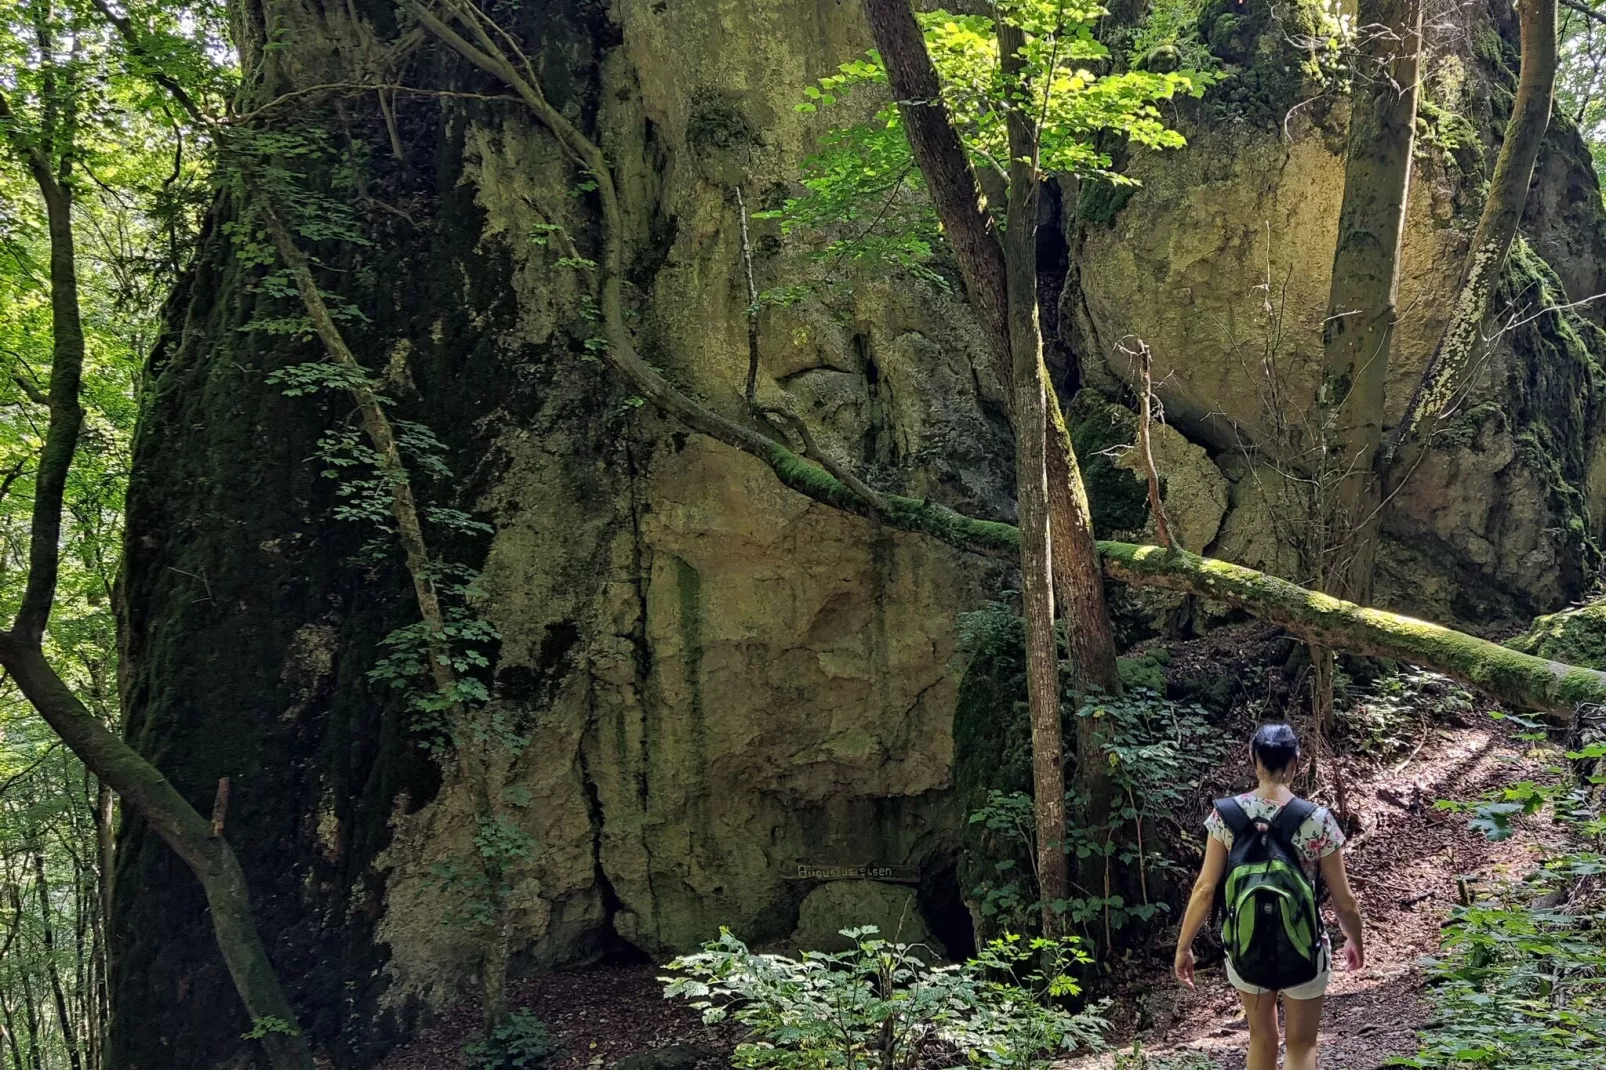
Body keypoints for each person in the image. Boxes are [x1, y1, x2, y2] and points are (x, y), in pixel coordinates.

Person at [1172, 723, 1365, 1070]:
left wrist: (1184, 946)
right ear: (1295, 762)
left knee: (1261, 1038)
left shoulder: (1225, 816)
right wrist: (1355, 940)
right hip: (1305, 948)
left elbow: (1205, 889)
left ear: (1253, 759)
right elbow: (1344, 899)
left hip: (1247, 949)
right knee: (1302, 1044)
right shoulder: (1318, 819)